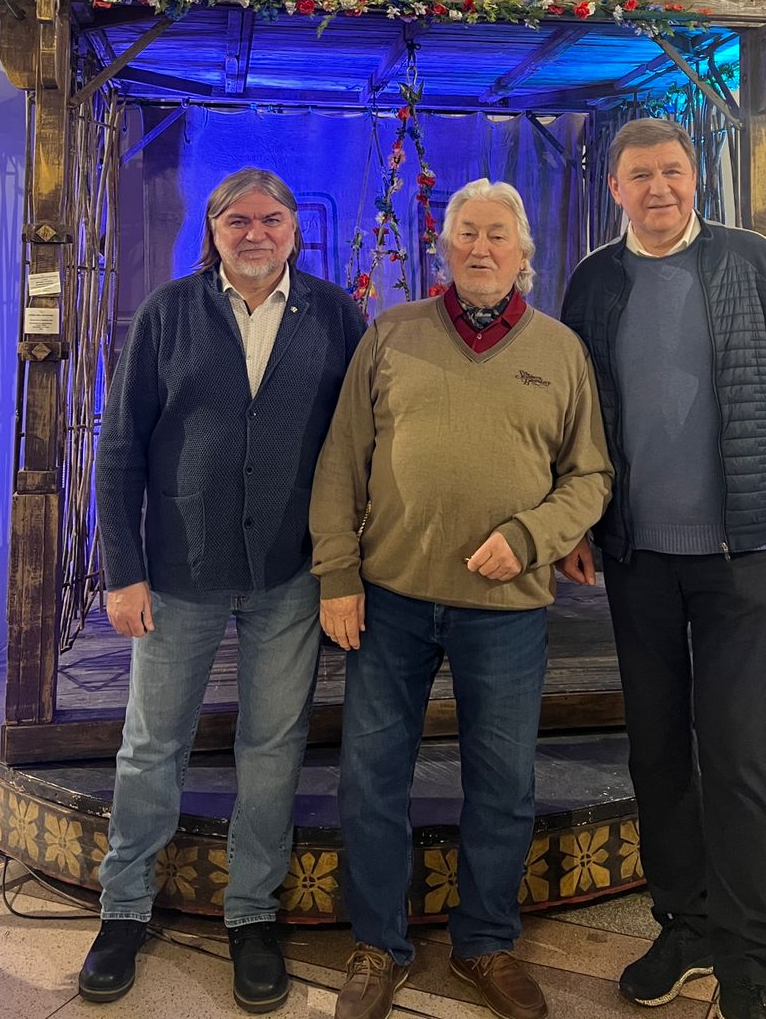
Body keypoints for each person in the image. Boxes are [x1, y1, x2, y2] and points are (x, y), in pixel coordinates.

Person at [311, 178, 612, 1019]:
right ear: (444, 248)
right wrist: (338, 575)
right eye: (466, 234)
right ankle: (378, 945)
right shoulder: (391, 334)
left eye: (497, 235)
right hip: (391, 599)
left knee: (503, 783)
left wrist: (531, 536)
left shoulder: (560, 351)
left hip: (507, 608)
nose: (481, 248)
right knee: (372, 779)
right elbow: (340, 463)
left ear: (523, 254)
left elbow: (590, 475)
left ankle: (484, 943)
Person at [559, 120, 766, 1019]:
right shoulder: (593, 281)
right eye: (640, 175)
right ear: (616, 189)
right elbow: (576, 413)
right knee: (657, 752)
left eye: (672, 171)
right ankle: (685, 925)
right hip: (636, 557)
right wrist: (580, 520)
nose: (660, 188)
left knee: (737, 757)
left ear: (694, 177)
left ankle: (749, 968)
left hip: (740, 556)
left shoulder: (753, 262)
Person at [81, 168, 367, 1008]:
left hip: (290, 574)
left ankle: (251, 914)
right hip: (178, 573)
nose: (255, 233)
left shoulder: (335, 315)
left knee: (272, 749)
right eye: (236, 220)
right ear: (213, 231)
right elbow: (119, 448)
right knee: (151, 744)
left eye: (271, 219)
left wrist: (343, 567)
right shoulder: (168, 314)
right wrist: (123, 571)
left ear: (295, 229)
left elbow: (360, 445)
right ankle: (123, 907)